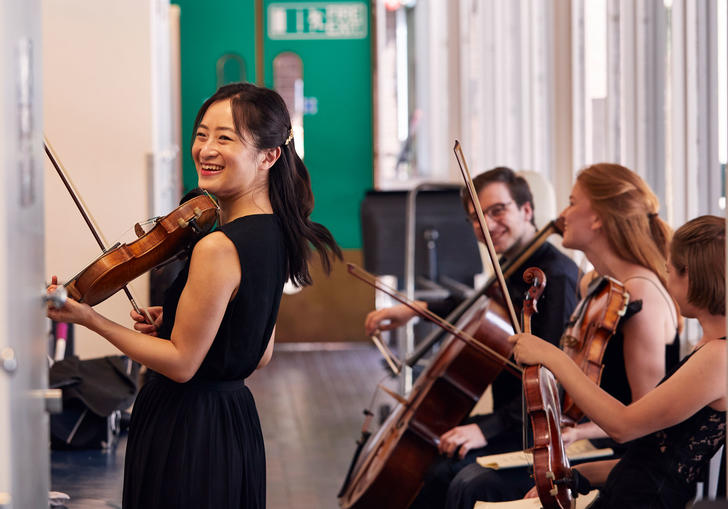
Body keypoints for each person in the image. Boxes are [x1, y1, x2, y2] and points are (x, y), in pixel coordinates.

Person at [46, 82, 342, 509]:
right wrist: (176, 320)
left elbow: (183, 365)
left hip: (185, 429)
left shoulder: (217, 246)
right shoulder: (278, 232)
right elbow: (259, 352)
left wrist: (90, 319)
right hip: (234, 423)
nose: (205, 148)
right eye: (201, 134)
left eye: (225, 138)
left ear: (269, 155)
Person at [445, 163, 681, 508]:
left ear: (597, 218)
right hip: (582, 434)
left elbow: (645, 423)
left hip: (623, 457)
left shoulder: (640, 299)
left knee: (474, 483)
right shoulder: (594, 284)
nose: (562, 213)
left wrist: (577, 429)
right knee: (467, 475)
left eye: (572, 202)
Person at [364, 167, 579, 509]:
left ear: (527, 210)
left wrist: (486, 430)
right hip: (511, 419)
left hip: (534, 430)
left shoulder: (557, 275)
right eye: (477, 218)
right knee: (427, 451)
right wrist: (414, 308)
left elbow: (554, 381)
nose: (487, 225)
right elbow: (477, 303)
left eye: (497, 211)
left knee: (439, 471)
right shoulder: (513, 266)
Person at [511, 214, 726, 508]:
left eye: (670, 269)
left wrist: (552, 356)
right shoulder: (710, 348)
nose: (665, 276)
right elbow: (650, 458)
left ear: (689, 274)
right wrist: (576, 475)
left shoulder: (719, 357)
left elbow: (623, 426)